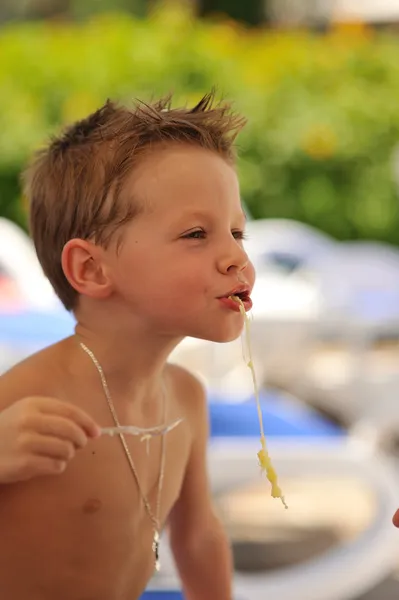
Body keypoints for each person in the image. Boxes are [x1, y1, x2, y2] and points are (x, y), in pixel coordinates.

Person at [0, 92, 255, 600]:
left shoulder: (185, 397)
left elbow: (197, 535)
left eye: (236, 232)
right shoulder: (25, 400)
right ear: (92, 270)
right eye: (196, 233)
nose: (234, 256)